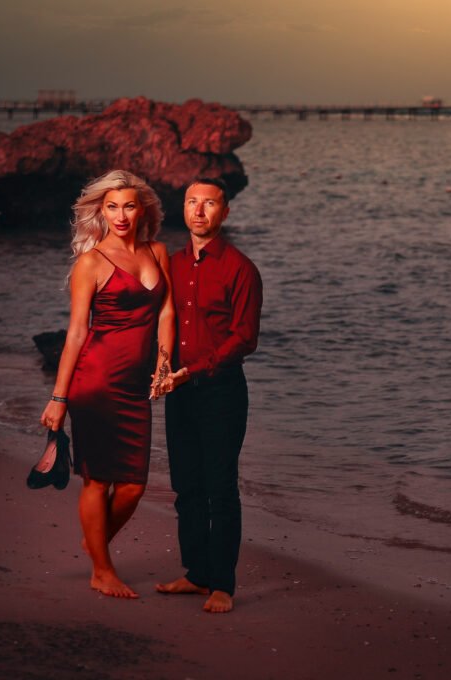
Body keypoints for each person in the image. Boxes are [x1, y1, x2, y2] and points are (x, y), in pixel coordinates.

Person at [39, 169, 174, 599]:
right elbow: (77, 333)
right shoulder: (92, 262)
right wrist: (58, 398)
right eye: (112, 207)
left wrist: (164, 365)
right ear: (101, 211)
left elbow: (167, 312)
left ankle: (95, 542)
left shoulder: (157, 251)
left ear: (142, 210)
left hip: (136, 385)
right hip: (96, 381)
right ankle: (101, 569)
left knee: (134, 485)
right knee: (97, 479)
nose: (120, 215)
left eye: (128, 206)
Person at [153, 177, 262, 613]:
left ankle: (222, 586)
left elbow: (245, 338)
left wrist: (192, 371)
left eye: (209, 203)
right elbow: (161, 321)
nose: (199, 211)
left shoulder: (240, 269)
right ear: (183, 209)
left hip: (221, 392)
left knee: (221, 488)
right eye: (191, 202)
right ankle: (197, 574)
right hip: (179, 392)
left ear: (225, 212)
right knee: (186, 486)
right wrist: (161, 368)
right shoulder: (172, 265)